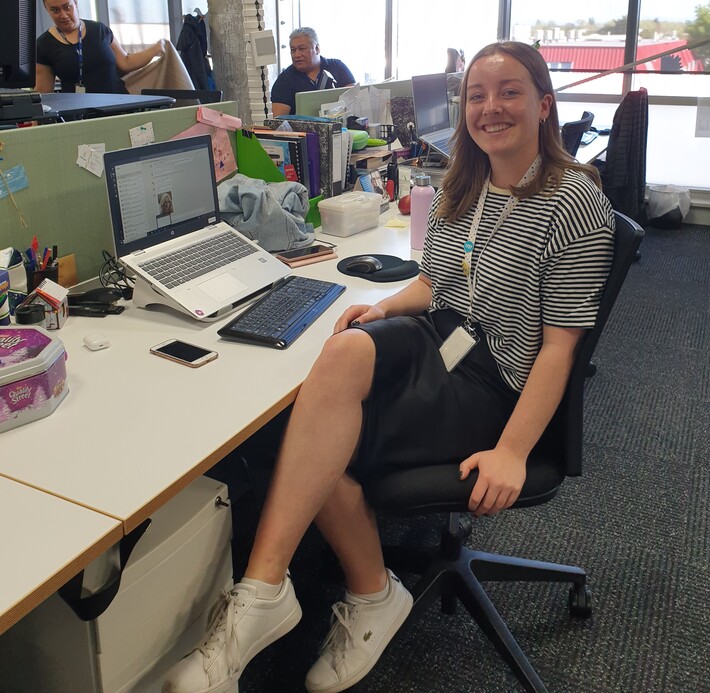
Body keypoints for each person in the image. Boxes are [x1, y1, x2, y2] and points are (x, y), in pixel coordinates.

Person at [162, 41, 615, 693]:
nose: (491, 107)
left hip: (497, 381)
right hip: (445, 337)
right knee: (341, 357)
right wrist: (383, 308)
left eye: (510, 91)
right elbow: (437, 282)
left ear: (544, 104)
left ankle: (366, 592)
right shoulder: (465, 182)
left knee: (322, 435)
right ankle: (268, 592)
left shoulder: (574, 200)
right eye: (477, 95)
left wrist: (513, 450)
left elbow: (559, 348)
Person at [35, 0, 165, 94]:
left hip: (119, 106)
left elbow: (125, 62)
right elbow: (44, 92)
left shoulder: (99, 30)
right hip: (80, 116)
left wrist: (154, 49)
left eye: (67, 7)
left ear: (75, 3)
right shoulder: (43, 45)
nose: (63, 15)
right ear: (47, 10)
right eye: (55, 10)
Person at [270, 27, 356, 117]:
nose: (297, 55)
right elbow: (278, 121)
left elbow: (354, 100)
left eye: (302, 49)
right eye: (293, 50)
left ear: (317, 48)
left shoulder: (337, 67)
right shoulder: (284, 80)